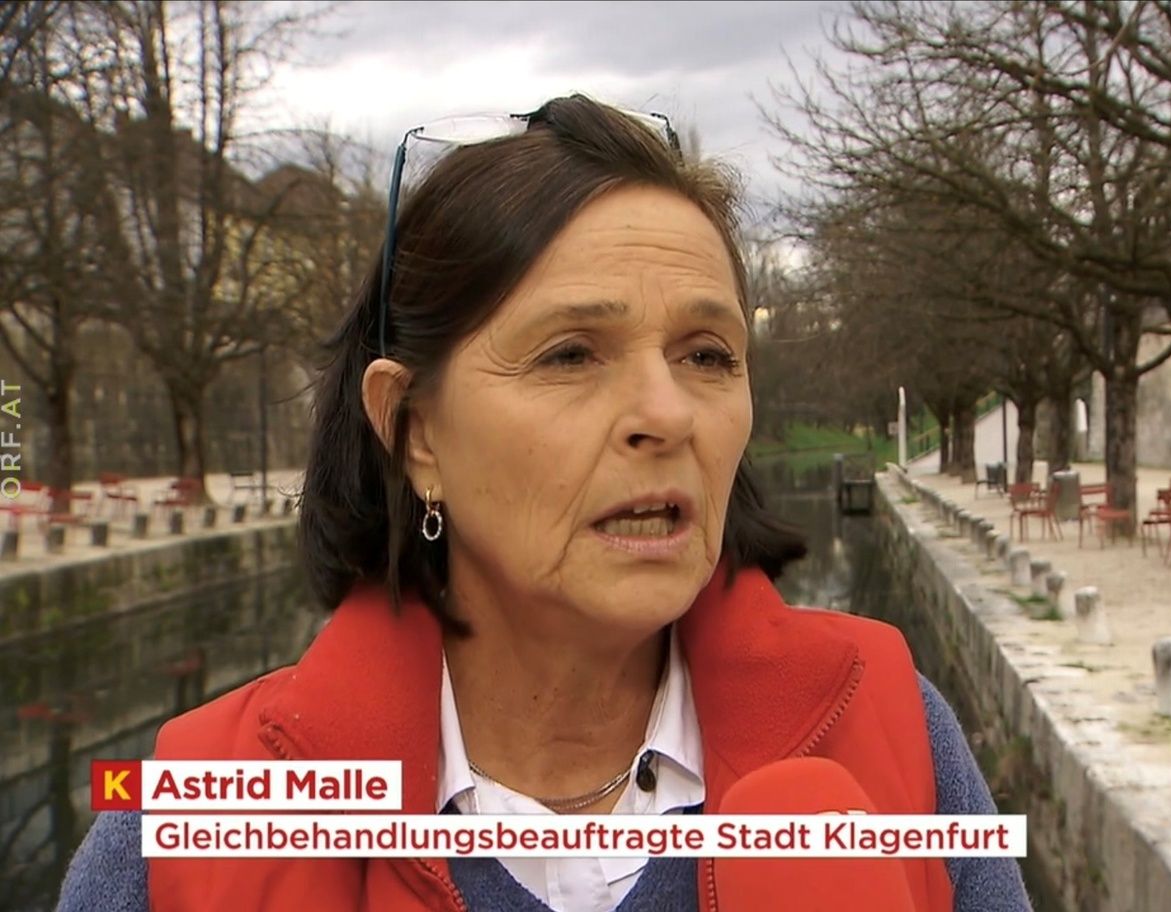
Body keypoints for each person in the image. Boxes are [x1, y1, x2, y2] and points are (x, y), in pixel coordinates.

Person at [57, 94, 1031, 912]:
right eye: (570, 355)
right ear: (415, 432)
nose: (666, 415)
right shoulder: (186, 822)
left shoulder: (890, 724)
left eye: (706, 355)